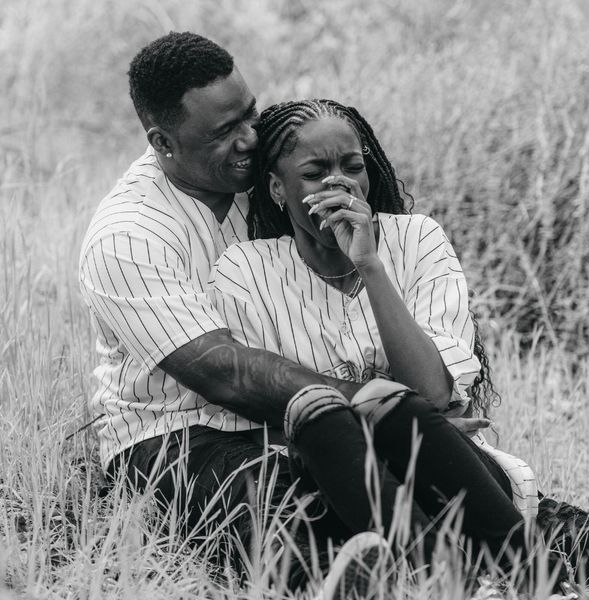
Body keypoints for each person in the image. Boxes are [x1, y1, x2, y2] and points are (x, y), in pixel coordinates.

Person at [78, 31, 422, 598]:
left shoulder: (269, 178)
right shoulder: (129, 234)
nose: (249, 140)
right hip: (175, 434)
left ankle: (554, 544)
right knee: (275, 507)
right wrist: (380, 406)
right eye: (222, 132)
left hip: (292, 418)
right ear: (163, 141)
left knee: (434, 478)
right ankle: (346, 579)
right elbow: (227, 375)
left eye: (250, 114)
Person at [209, 98, 588, 597]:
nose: (340, 183)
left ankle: (538, 584)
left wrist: (368, 264)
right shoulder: (245, 270)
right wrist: (392, 419)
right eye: (315, 172)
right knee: (349, 409)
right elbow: (271, 411)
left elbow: (430, 391)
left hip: (450, 477)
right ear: (277, 188)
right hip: (332, 479)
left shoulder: (417, 239)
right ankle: (451, 576)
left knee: (393, 409)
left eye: (352, 166)